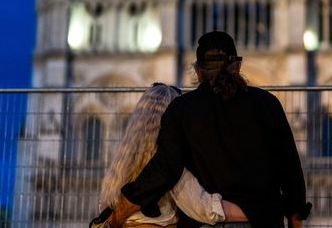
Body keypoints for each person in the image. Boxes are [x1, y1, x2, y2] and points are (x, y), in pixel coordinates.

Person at [111, 31, 311, 228]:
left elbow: (164, 170)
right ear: (238, 67)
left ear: (198, 71)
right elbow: (291, 172)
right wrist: (295, 222)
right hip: (264, 221)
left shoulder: (181, 110)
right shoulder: (267, 104)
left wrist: (117, 215)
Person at [91, 82, 247, 228]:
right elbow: (204, 209)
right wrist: (255, 212)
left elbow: (104, 205)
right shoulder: (168, 161)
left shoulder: (121, 162)